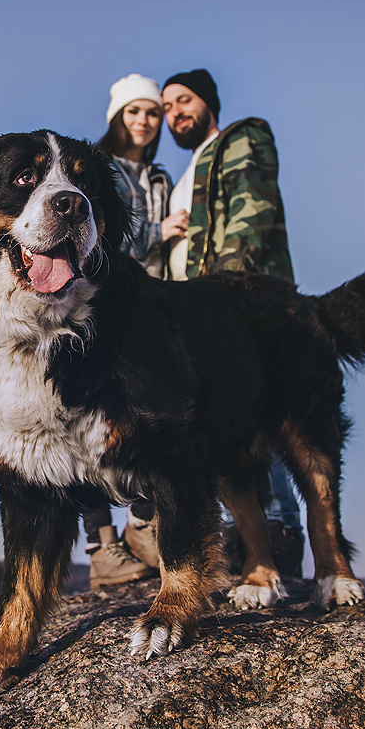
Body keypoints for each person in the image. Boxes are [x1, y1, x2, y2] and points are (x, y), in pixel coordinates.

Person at [160, 68, 305, 577]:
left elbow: (251, 214)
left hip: (240, 309)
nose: (175, 111)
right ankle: (243, 542)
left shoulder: (242, 138)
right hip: (199, 318)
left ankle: (282, 536)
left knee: (265, 416)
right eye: (168, 106)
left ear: (208, 104)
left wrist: (229, 301)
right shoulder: (184, 176)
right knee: (221, 426)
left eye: (184, 100)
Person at [82, 73, 187, 589]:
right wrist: (157, 232)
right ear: (117, 118)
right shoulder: (99, 169)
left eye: (151, 113)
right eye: (134, 112)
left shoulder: (162, 178)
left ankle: (143, 525)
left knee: (148, 417)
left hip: (149, 307)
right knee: (83, 422)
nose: (144, 121)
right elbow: (100, 231)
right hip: (103, 304)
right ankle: (102, 548)